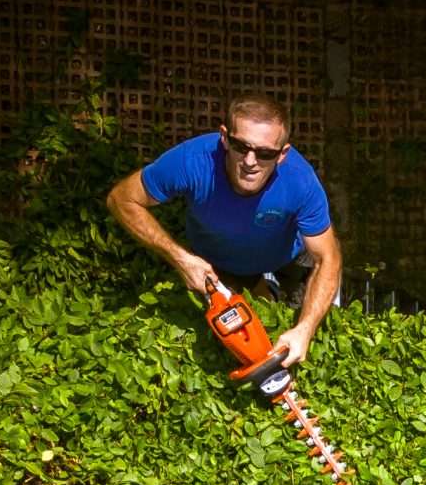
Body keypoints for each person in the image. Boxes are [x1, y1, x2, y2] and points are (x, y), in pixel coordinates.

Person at [106, 95, 343, 369]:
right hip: (221, 260)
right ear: (224, 138)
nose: (250, 161)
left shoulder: (300, 180)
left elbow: (328, 257)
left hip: (289, 254)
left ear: (283, 154)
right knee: (242, 343)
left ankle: (277, 297)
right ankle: (265, 292)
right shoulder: (192, 160)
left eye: (265, 153)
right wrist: (180, 258)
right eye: (241, 147)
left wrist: (305, 329)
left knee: (310, 338)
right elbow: (121, 199)